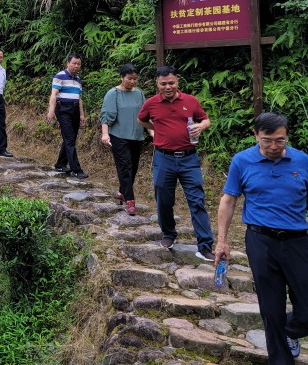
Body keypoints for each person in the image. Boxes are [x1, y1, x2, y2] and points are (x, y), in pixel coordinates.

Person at [215, 112, 308, 363]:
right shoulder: (242, 161)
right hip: (260, 241)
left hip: (296, 241)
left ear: (287, 137)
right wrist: (221, 241)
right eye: (267, 140)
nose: (273, 146)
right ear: (256, 135)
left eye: (280, 140)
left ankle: (291, 331)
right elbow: (228, 201)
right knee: (271, 306)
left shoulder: (302, 161)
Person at [137, 64, 215, 261]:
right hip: (164, 158)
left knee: (196, 200)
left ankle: (205, 245)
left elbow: (206, 120)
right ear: (157, 84)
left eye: (171, 83)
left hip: (189, 158)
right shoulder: (151, 103)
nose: (168, 87)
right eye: (163, 84)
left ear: (177, 82)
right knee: (163, 199)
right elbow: (141, 120)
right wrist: (155, 129)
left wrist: (201, 126)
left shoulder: (191, 101)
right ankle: (168, 234)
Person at [100, 64, 151, 215]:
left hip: (137, 136)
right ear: (122, 77)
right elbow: (106, 115)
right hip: (119, 136)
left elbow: (145, 116)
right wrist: (105, 134)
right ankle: (130, 201)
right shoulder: (113, 93)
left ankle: (122, 193)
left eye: (135, 79)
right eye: (129, 78)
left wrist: (153, 132)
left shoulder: (139, 94)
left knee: (133, 168)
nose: (132, 81)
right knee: (125, 167)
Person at [46, 53, 89, 178]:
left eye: (78, 64)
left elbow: (79, 98)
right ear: (68, 63)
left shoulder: (78, 79)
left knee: (71, 138)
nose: (76, 66)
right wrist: (51, 111)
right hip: (63, 109)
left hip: (75, 109)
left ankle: (60, 164)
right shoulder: (60, 76)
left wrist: (82, 115)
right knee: (70, 139)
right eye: (74, 63)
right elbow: (54, 94)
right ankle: (76, 169)